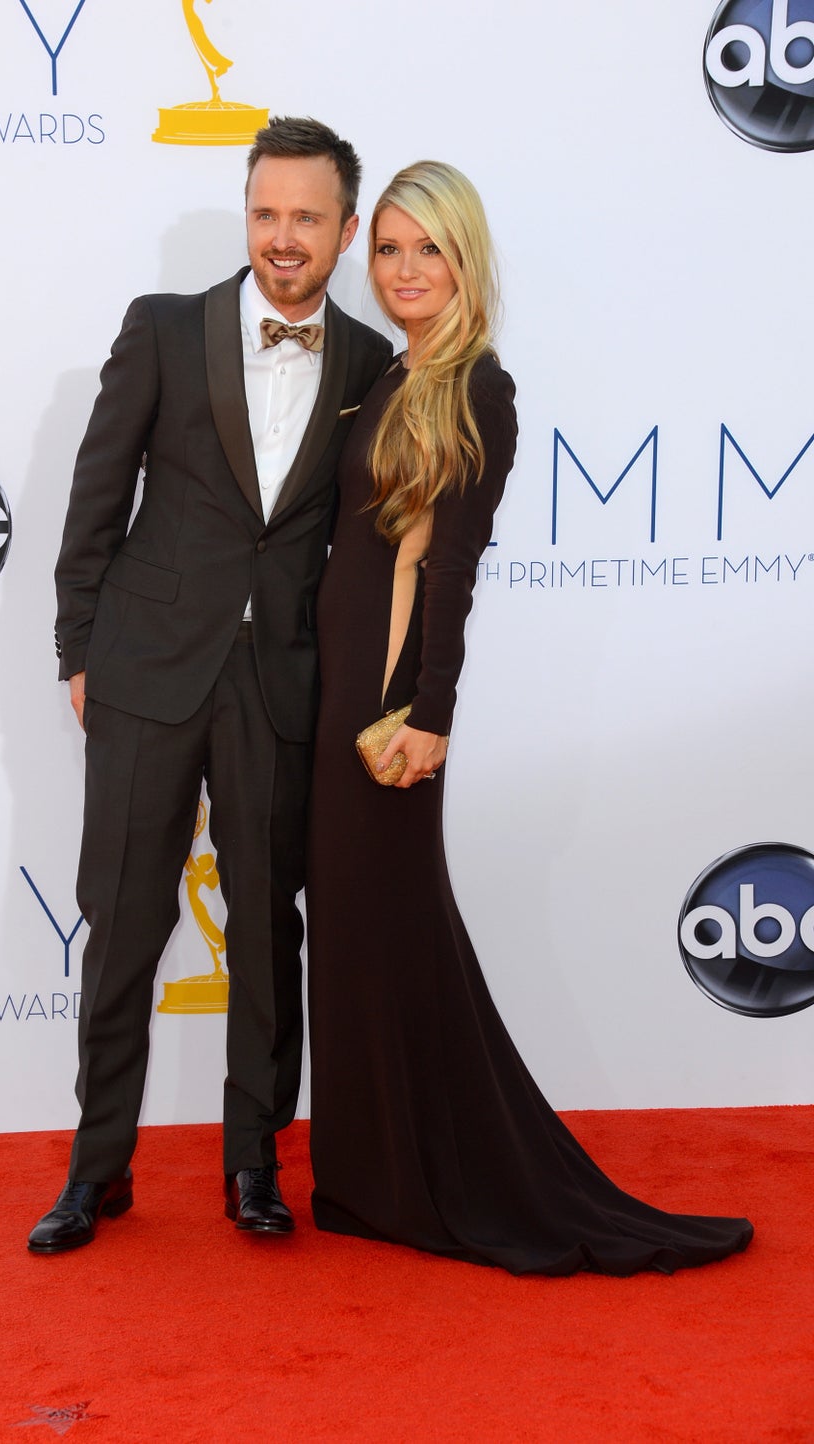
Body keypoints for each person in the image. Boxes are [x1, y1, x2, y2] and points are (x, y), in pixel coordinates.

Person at [306, 161, 753, 1274]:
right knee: (364, 940)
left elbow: (451, 567)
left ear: (467, 262)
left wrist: (428, 715)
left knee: (394, 935)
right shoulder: (386, 379)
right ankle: (367, 1179)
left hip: (389, 707)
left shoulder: (477, 388)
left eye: (430, 250)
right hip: (335, 690)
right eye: (392, 248)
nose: (406, 269)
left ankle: (431, 1183)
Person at [28, 117, 392, 1254]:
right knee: (124, 920)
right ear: (249, 215)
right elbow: (94, 499)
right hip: (143, 670)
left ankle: (252, 1165)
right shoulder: (167, 331)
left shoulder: (370, 365)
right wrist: (78, 651)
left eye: (307, 219)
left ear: (343, 230)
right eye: (265, 213)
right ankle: (97, 1171)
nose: (283, 239)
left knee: (267, 933)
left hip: (279, 685)